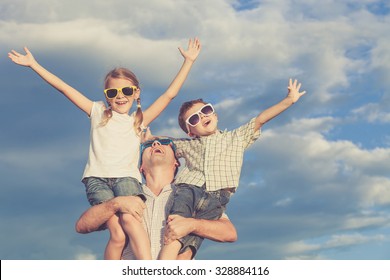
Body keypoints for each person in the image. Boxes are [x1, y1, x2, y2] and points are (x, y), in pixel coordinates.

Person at [8, 38, 201, 260]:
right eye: (113, 93)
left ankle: (149, 268)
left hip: (126, 179)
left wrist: (188, 62)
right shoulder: (97, 112)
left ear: (136, 93)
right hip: (97, 179)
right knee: (118, 235)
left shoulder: (138, 121)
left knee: (130, 221)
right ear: (106, 96)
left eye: (126, 91)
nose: (120, 96)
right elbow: (63, 88)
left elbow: (169, 95)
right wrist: (34, 65)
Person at [158, 78, 306, 259]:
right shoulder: (188, 145)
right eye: (194, 118)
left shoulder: (236, 137)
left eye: (206, 111)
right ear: (190, 131)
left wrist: (288, 100)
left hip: (218, 198)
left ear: (215, 114)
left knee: (190, 245)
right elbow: (166, 141)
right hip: (189, 190)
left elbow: (260, 119)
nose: (203, 116)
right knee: (175, 229)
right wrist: (148, 137)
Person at [75, 137, 237, 260]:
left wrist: (192, 224)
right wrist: (115, 204)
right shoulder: (126, 195)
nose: (155, 145)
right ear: (141, 167)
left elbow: (229, 232)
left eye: (165, 142)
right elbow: (82, 226)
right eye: (147, 145)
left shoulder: (190, 195)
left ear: (176, 162)